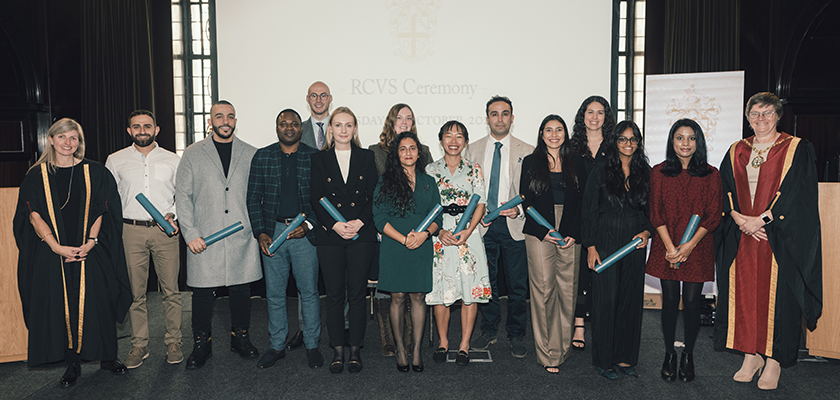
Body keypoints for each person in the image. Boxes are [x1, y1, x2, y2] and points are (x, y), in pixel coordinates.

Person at [715, 92, 822, 391]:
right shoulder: (737, 149)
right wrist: (737, 218)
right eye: (755, 114)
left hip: (777, 237)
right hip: (742, 235)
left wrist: (761, 220)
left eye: (767, 113)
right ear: (748, 117)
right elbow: (722, 188)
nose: (761, 119)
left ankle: (774, 359)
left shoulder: (795, 148)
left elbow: (798, 194)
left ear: (777, 116)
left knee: (779, 299)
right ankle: (751, 356)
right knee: (745, 296)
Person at [14, 118, 131, 388]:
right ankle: (72, 363)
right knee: (62, 306)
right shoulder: (37, 175)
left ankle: (107, 357)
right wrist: (56, 247)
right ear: (51, 140)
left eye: (74, 138)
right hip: (52, 252)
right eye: (62, 137)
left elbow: (102, 209)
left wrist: (89, 242)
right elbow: (32, 215)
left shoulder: (96, 172)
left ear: (80, 142)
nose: (68, 143)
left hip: (91, 250)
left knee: (98, 303)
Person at [176, 100, 262, 369]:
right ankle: (202, 344)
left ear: (236, 121)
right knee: (202, 294)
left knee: (240, 291)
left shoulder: (251, 153)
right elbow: (183, 196)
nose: (225, 121)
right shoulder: (192, 153)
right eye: (219, 116)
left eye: (231, 117)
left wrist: (256, 230)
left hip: (241, 237)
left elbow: (258, 195)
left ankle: (241, 339)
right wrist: (190, 234)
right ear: (210, 121)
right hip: (205, 238)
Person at [106, 110, 184, 368]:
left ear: (157, 130)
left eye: (147, 126)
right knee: (135, 294)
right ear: (129, 131)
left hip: (166, 231)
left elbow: (182, 197)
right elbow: (110, 200)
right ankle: (139, 346)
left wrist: (172, 214)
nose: (142, 130)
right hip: (131, 231)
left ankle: (174, 341)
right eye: (136, 126)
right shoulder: (115, 161)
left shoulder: (173, 160)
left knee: (171, 291)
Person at [246, 108, 323, 369]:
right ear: (276, 127)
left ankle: (312, 344)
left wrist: (309, 224)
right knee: (275, 293)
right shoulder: (262, 156)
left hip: (303, 234)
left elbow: (321, 199)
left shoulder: (315, 157)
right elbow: (253, 199)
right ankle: (277, 345)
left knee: (309, 292)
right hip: (274, 233)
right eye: (283, 123)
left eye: (293, 123)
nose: (288, 127)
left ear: (301, 129)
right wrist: (261, 232)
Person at [646, 119, 721, 382]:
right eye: (680, 138)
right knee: (668, 301)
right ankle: (669, 354)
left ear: (698, 142)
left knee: (691, 302)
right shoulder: (658, 172)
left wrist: (688, 246)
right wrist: (670, 247)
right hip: (666, 244)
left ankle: (688, 355)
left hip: (697, 246)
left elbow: (713, 216)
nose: (685, 143)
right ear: (671, 141)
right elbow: (655, 213)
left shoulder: (711, 174)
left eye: (691, 138)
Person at [464, 96, 534, 358]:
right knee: (487, 282)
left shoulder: (527, 150)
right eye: (494, 114)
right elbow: (468, 189)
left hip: (514, 224)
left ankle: (516, 334)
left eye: (505, 114)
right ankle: (489, 330)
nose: (500, 119)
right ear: (487, 119)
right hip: (483, 226)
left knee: (517, 285)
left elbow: (533, 193)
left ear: (512, 118)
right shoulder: (472, 150)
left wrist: (519, 210)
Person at [310, 107, 378, 373]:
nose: (343, 130)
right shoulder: (320, 159)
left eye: (348, 125)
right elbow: (316, 198)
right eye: (338, 125)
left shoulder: (366, 156)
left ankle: (355, 351)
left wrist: (359, 222)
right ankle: (337, 350)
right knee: (335, 295)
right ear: (330, 129)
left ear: (355, 129)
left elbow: (374, 195)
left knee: (358, 295)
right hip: (331, 236)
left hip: (362, 234)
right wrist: (336, 225)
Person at [582, 120, 652, 380]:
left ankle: (625, 357)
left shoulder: (645, 171)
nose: (628, 144)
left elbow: (651, 210)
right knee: (606, 301)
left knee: (630, 301)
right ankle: (604, 359)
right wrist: (590, 246)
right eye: (623, 139)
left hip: (634, 242)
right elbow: (589, 210)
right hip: (605, 241)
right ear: (614, 142)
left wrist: (646, 232)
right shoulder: (600, 169)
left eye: (633, 139)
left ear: (638, 143)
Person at [520, 115, 587, 373]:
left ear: (565, 134)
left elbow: (583, 201)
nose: (554, 134)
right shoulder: (530, 161)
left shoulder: (577, 162)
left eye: (559, 130)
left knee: (568, 290)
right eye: (549, 130)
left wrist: (573, 232)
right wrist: (543, 230)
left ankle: (562, 349)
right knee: (544, 290)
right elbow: (525, 201)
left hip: (570, 229)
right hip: (539, 231)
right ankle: (549, 354)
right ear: (541, 134)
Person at [373, 131, 441, 372]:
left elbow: (437, 217)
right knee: (398, 297)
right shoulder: (385, 181)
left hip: (421, 246)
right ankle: (400, 349)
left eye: (413, 148)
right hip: (394, 246)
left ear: (419, 152)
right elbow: (379, 218)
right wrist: (403, 239)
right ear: (396, 154)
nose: (408, 153)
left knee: (418, 297)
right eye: (403, 149)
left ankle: (416, 350)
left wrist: (424, 234)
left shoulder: (428, 182)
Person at [368, 103, 432, 357]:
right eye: (399, 118)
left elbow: (431, 197)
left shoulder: (424, 151)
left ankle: (409, 344)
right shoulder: (374, 152)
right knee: (390, 293)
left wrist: (425, 232)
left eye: (409, 118)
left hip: (418, 236)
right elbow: (374, 198)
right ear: (390, 122)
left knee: (415, 295)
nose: (404, 122)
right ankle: (390, 342)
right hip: (386, 232)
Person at [425, 121, 490, 367]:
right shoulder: (430, 169)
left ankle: (464, 345)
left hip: (468, 237)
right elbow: (426, 204)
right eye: (448, 136)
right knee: (440, 292)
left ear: (465, 141)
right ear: (441, 140)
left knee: (469, 293)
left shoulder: (474, 169)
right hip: (440, 235)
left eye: (459, 136)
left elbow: (481, 202)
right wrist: (439, 230)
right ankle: (443, 342)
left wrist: (469, 231)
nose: (454, 140)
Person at [568, 95, 616, 351]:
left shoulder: (615, 145)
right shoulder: (572, 146)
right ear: (582, 115)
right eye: (590, 112)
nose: (594, 117)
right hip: (577, 217)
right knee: (580, 276)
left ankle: (602, 326)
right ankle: (578, 325)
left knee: (601, 275)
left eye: (600, 112)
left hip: (607, 219)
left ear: (606, 118)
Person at [301, 81, 333, 150]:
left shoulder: (340, 129)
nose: (318, 100)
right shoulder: (299, 130)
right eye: (314, 95)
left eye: (323, 95)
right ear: (307, 99)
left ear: (330, 99)